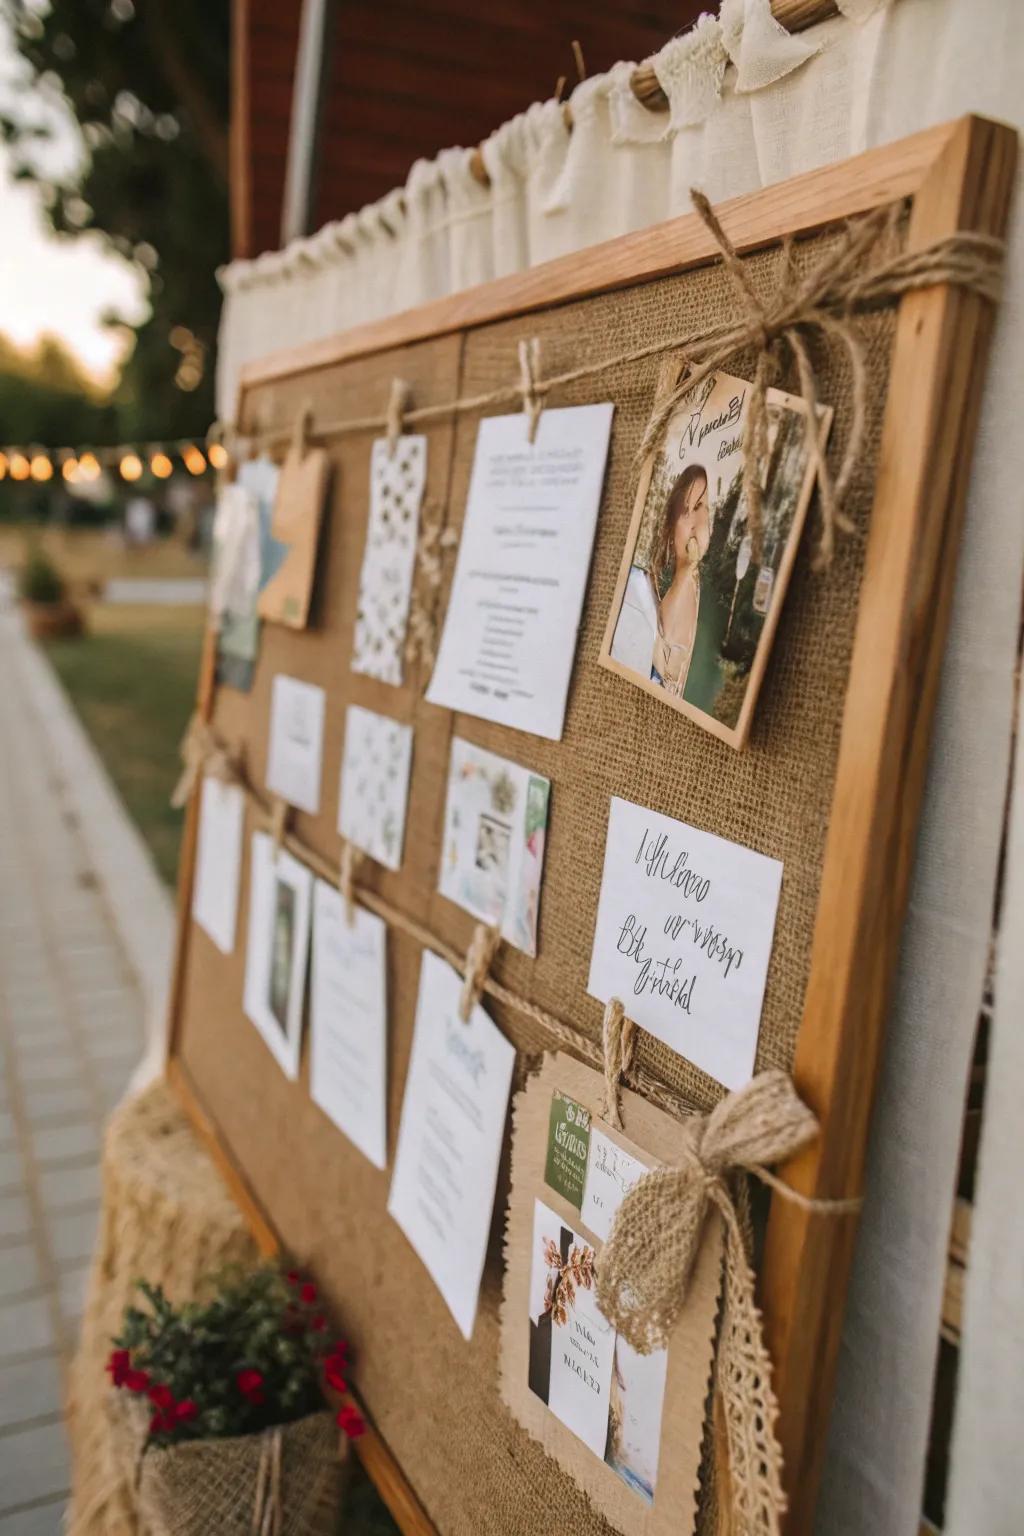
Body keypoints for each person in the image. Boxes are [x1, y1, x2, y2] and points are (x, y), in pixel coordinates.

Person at [611, 464, 710, 695]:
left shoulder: (699, 591)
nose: (699, 522)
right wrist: (684, 572)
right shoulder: (641, 589)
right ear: (670, 527)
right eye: (688, 511)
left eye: (702, 507)